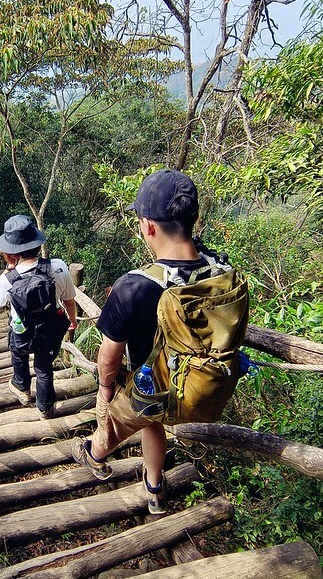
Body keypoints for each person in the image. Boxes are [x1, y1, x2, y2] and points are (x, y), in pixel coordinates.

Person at [72, 168, 240, 514]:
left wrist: (105, 388)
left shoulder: (133, 287)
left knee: (118, 414)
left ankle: (95, 454)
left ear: (148, 225)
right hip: (204, 392)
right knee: (151, 420)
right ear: (192, 219)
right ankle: (154, 487)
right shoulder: (222, 272)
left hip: (152, 393)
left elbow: (109, 358)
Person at [0, 215, 77, 419]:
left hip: (21, 331)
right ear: (37, 243)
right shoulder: (58, 267)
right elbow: (69, 299)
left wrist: (8, 269)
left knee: (17, 353)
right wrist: (72, 320)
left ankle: (22, 388)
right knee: (44, 368)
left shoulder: (7, 279)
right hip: (49, 330)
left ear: (10, 252)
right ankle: (45, 408)